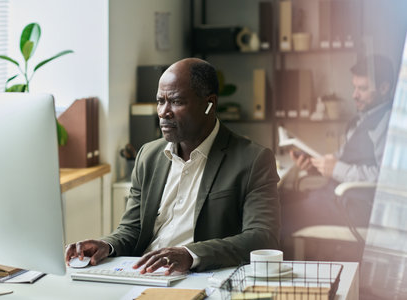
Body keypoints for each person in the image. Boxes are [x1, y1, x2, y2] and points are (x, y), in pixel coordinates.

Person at [66, 58, 280, 274]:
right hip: (144, 273)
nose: (163, 112)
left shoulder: (253, 159)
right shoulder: (148, 156)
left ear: (210, 104)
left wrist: (190, 254)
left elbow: (262, 236)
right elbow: (131, 229)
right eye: (160, 101)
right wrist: (107, 245)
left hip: (199, 275)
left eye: (176, 102)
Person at [281, 54, 395, 259]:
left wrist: (337, 169)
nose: (354, 95)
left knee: (277, 216)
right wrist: (313, 165)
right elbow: (341, 160)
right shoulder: (361, 120)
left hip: (357, 208)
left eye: (362, 88)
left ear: (384, 88)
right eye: (354, 87)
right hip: (335, 199)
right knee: (277, 201)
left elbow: (386, 178)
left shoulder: (389, 124)